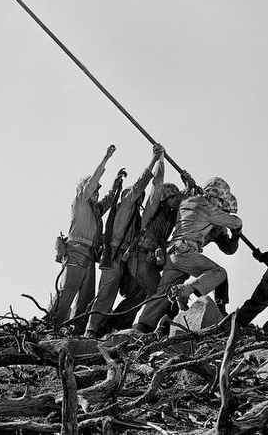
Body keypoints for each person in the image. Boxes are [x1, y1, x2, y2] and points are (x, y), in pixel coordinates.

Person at [134, 175, 242, 333]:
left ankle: (142, 326)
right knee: (219, 272)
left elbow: (229, 248)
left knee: (161, 294)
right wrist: (237, 230)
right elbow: (235, 222)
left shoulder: (188, 201)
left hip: (172, 253)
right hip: (185, 251)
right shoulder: (206, 207)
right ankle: (185, 291)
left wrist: (188, 186)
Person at [84, 144, 164, 337]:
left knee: (140, 291)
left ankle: (117, 323)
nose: (138, 197)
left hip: (127, 258)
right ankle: (92, 329)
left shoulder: (136, 215)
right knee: (106, 293)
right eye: (135, 194)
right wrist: (154, 159)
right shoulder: (126, 204)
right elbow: (140, 185)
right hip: (114, 255)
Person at [48, 145, 117, 329]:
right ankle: (50, 326)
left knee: (86, 297)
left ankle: (75, 329)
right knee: (66, 293)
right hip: (76, 253)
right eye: (94, 190)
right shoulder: (80, 201)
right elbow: (92, 182)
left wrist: (115, 187)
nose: (96, 192)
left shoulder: (95, 209)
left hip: (89, 256)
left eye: (97, 191)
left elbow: (108, 201)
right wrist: (106, 159)